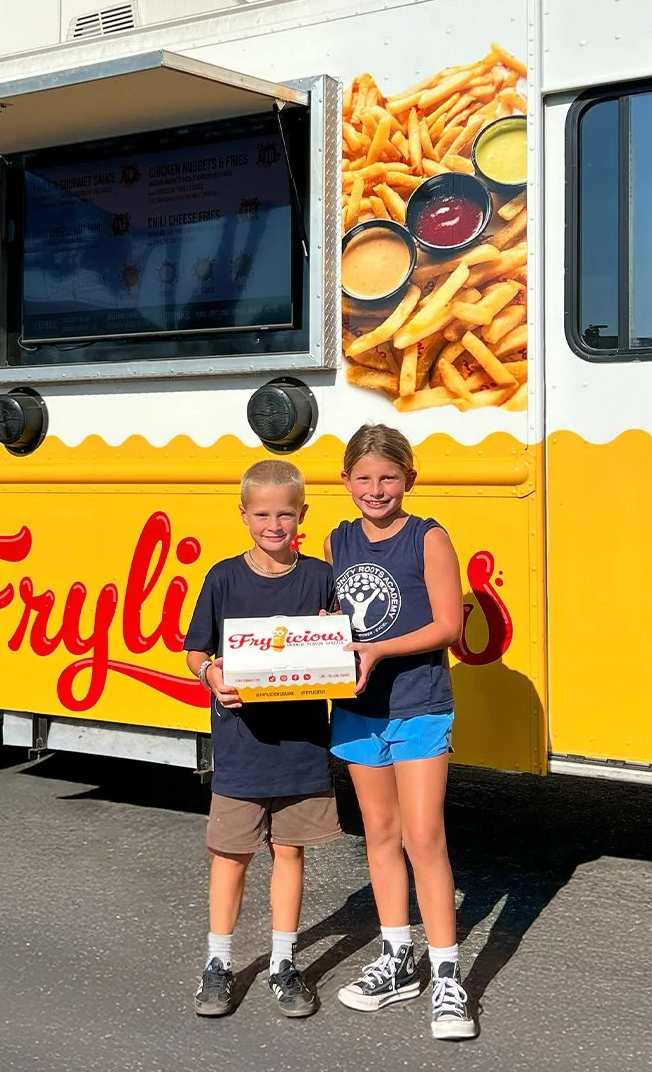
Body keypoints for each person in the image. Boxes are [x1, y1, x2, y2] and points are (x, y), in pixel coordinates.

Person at [325, 423, 477, 1041]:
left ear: (408, 480)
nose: (376, 489)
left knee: (423, 835)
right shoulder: (337, 540)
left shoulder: (428, 537)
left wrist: (377, 651)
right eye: (364, 477)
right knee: (379, 833)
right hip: (360, 710)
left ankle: (446, 974)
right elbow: (336, 616)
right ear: (346, 481)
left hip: (419, 704)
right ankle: (397, 960)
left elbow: (447, 625)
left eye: (388, 477)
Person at [184, 458, 339, 1019]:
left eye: (286, 514)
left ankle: (282, 961)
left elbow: (338, 646)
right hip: (241, 744)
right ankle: (218, 962)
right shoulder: (223, 577)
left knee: (289, 852)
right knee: (230, 854)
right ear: (244, 514)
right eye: (263, 514)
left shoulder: (321, 577)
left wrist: (330, 639)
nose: (275, 525)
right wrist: (211, 676)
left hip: (301, 743)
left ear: (303, 514)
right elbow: (195, 649)